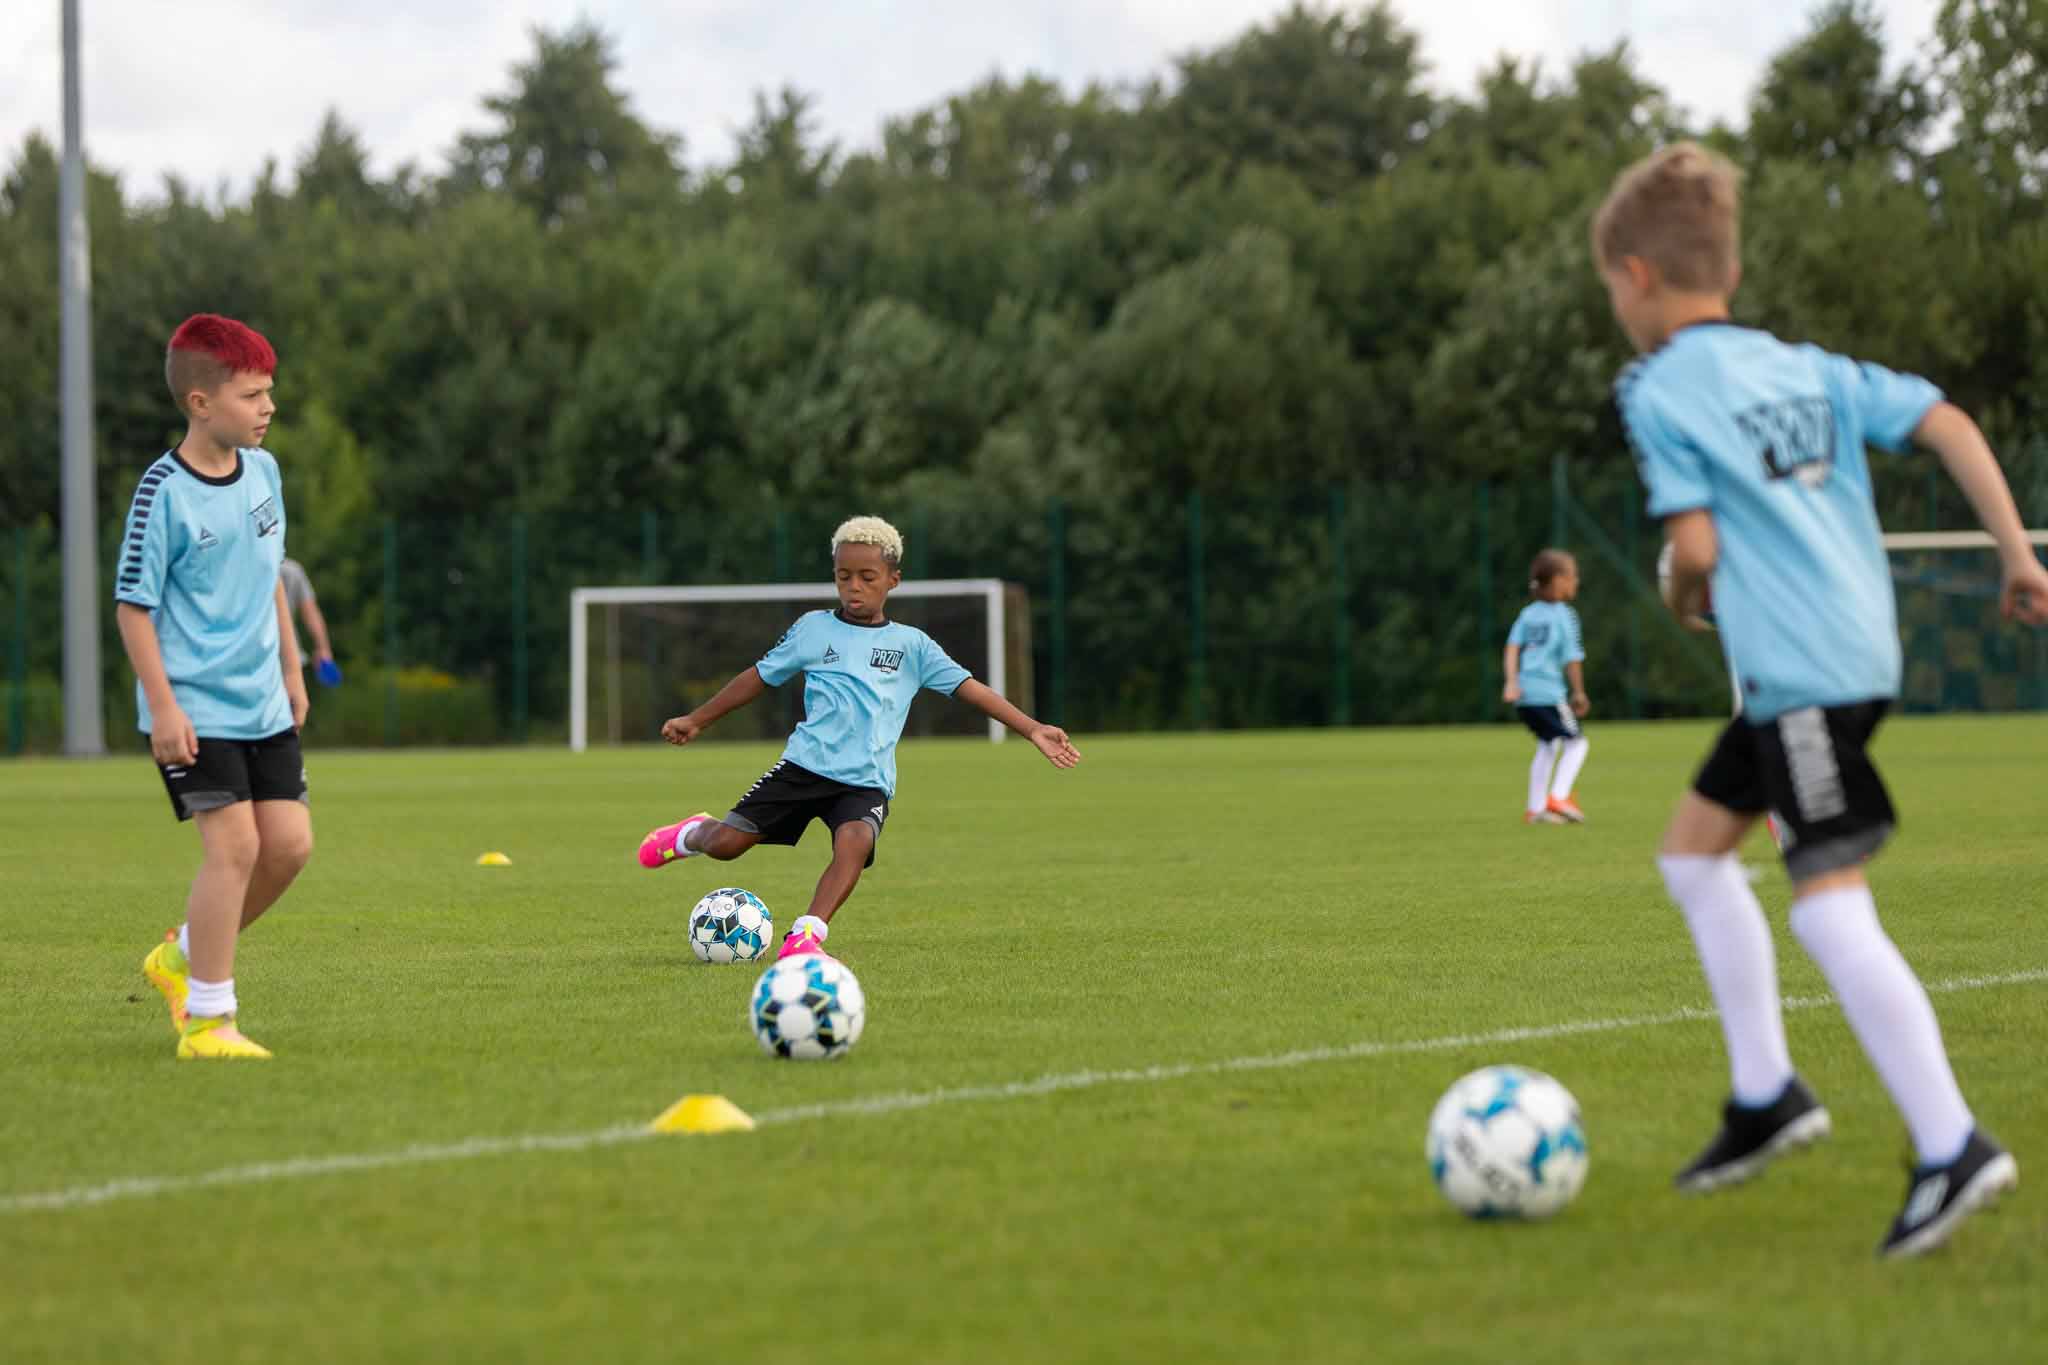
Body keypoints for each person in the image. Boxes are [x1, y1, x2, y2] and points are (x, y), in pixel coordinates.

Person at [1595, 142, 2048, 1257]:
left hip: (1798, 676)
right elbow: (1947, 422)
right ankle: (1766, 1096)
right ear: (1729, 271)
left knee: (1826, 903)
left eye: (1610, 287)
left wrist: (1680, 590)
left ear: (1636, 278)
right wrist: (2015, 553)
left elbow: (1696, 550)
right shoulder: (1806, 366)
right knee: (1692, 856)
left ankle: (1951, 1143)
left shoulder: (1655, 390)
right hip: (1849, 655)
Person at [636, 515, 1081, 959]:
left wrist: (1032, 728)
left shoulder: (913, 646)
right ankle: (692, 834)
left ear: (892, 580)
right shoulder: (813, 629)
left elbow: (973, 690)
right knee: (727, 846)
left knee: (855, 842)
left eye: (867, 577)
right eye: (843, 576)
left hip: (865, 780)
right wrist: (697, 720)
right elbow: (759, 676)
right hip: (803, 767)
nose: (854, 587)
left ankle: (805, 936)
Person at [121, 313, 313, 1061]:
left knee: (287, 848)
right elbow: (133, 608)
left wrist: (292, 669)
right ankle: (208, 1020)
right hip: (195, 706)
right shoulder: (161, 493)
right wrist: (164, 707)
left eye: (269, 392)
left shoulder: (264, 472)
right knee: (233, 848)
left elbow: (270, 579)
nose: (269, 407)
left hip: (262, 700)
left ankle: (181, 955)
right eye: (252, 395)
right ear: (201, 403)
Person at [1501, 549, 1591, 824]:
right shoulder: (1565, 615)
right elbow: (1572, 658)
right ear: (1558, 580)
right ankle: (1559, 797)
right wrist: (1578, 692)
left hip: (1525, 696)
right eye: (1573, 576)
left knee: (1548, 745)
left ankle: (1536, 808)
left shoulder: (1527, 614)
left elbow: (1512, 647)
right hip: (1549, 694)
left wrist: (1512, 681)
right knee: (1577, 744)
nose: (1576, 582)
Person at [280, 556, 343, 688]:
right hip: (289, 657)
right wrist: (323, 648)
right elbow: (310, 612)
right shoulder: (292, 570)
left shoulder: (244, 566)